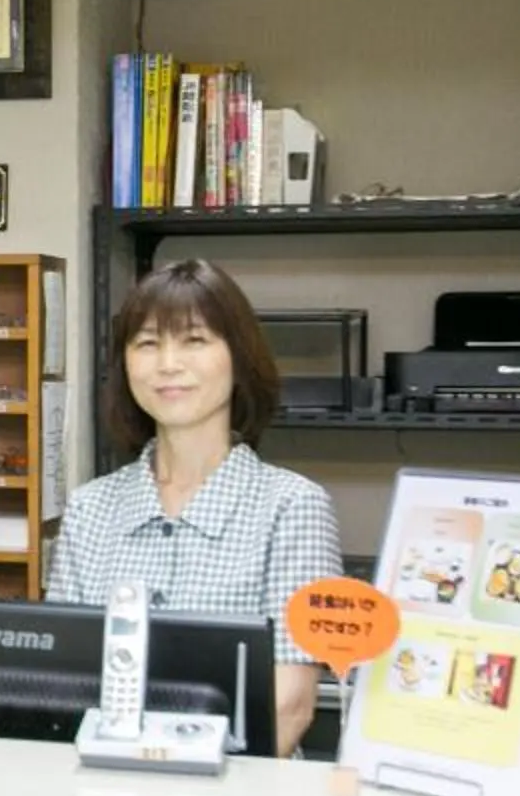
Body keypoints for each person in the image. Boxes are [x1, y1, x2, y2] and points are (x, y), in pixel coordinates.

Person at [47, 259, 341, 756]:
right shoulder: (89, 507)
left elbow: (289, 708)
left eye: (194, 340)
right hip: (99, 786)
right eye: (147, 343)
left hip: (238, 793)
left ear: (239, 359)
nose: (168, 363)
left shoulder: (293, 507)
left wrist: (176, 788)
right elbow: (59, 683)